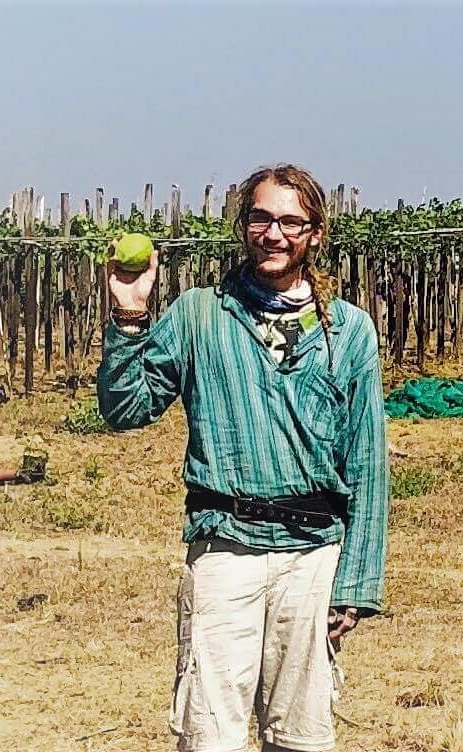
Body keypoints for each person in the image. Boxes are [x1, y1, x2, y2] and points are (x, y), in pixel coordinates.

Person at [98, 164, 389, 752]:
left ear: (315, 233)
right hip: (224, 550)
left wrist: (355, 584)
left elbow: (367, 464)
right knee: (210, 734)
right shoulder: (199, 314)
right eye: (261, 218)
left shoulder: (349, 331)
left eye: (290, 221)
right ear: (243, 225)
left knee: (301, 736)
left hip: (312, 557)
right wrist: (130, 314)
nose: (274, 233)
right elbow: (125, 409)